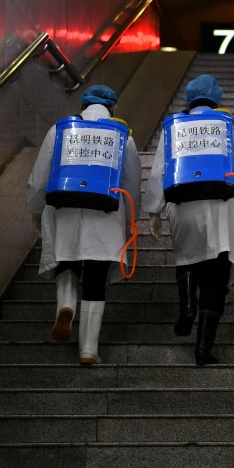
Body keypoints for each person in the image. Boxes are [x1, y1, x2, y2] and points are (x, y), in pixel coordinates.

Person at [143, 75, 234, 365]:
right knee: (216, 279)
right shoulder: (231, 126)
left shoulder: (173, 127)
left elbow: (159, 172)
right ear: (217, 98)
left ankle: (187, 305)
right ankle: (202, 349)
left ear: (188, 99)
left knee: (188, 259)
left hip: (182, 207)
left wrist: (154, 212)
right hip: (222, 207)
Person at [26, 84, 141, 366]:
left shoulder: (61, 129)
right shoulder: (122, 135)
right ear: (112, 107)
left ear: (83, 105)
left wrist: (35, 209)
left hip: (63, 207)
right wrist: (130, 220)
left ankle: (66, 305)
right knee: (95, 278)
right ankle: (88, 350)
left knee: (66, 260)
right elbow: (132, 182)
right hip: (105, 212)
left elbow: (40, 176)